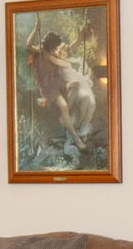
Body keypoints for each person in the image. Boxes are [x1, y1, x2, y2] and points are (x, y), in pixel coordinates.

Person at [27, 19, 98, 153]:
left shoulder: (54, 52)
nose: (56, 50)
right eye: (54, 48)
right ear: (48, 46)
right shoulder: (39, 52)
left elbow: (69, 48)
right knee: (64, 106)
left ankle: (65, 117)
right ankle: (76, 137)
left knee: (76, 85)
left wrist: (80, 38)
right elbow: (28, 45)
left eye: (56, 48)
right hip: (49, 88)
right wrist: (35, 29)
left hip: (59, 84)